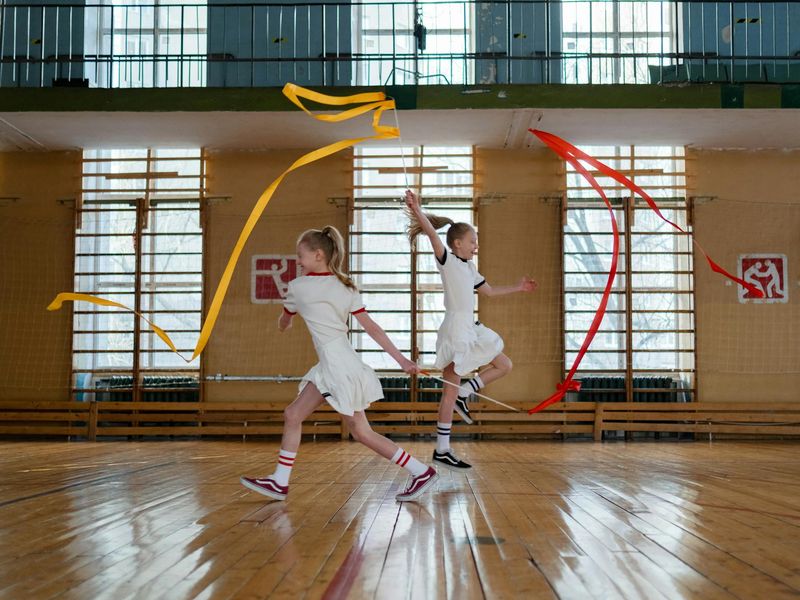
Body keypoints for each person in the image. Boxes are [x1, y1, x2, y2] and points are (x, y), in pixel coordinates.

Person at [240, 226, 438, 502]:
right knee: (294, 415)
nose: (297, 261)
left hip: (337, 367)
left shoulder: (298, 287)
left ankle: (420, 471)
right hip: (336, 363)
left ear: (318, 255)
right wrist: (402, 360)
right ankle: (279, 481)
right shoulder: (346, 287)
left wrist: (284, 321)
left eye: (301, 255)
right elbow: (372, 329)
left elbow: (284, 321)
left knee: (361, 432)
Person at [405, 190, 537, 471]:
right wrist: (417, 210)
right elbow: (431, 235)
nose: (476, 244)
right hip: (455, 329)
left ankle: (467, 393)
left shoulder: (469, 267)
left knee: (504, 363)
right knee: (449, 393)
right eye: (472, 241)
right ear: (457, 243)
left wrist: (518, 287)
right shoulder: (447, 260)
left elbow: (488, 291)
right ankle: (442, 449)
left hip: (471, 326)